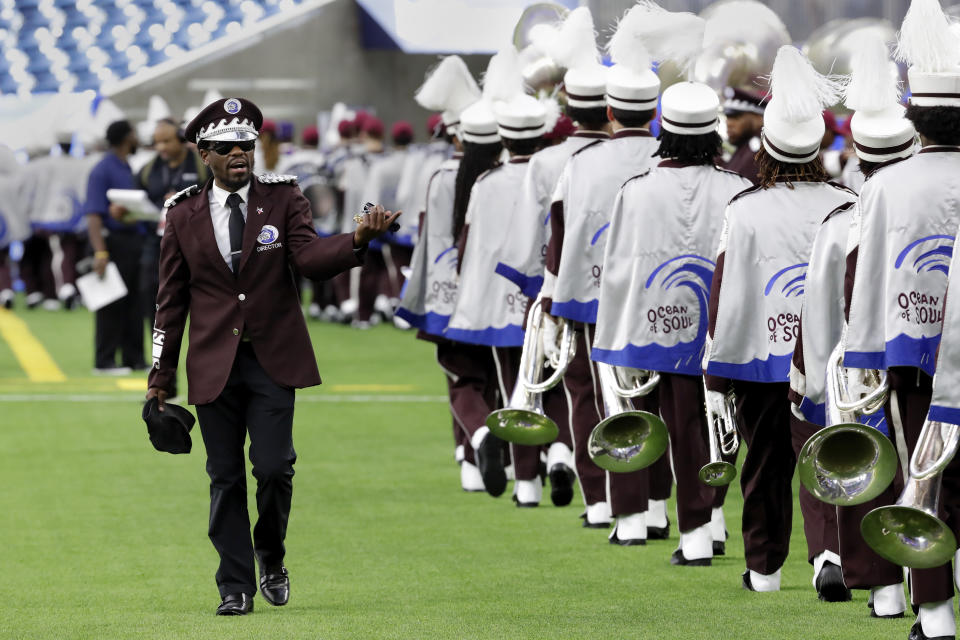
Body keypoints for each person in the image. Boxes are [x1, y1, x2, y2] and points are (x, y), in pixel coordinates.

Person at [145, 97, 399, 615]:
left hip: (272, 360)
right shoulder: (182, 212)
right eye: (226, 147)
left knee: (274, 466)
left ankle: (272, 556)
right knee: (225, 477)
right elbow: (169, 302)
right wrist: (159, 376)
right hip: (213, 365)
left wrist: (355, 241)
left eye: (247, 144)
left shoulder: (285, 199)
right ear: (205, 154)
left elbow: (308, 258)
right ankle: (234, 585)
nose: (240, 152)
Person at [703, 46, 856, 595]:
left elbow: (724, 294)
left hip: (759, 359)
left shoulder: (744, 207)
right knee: (827, 456)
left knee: (765, 466)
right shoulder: (847, 200)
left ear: (765, 147)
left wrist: (717, 375)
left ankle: (765, 571)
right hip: (829, 359)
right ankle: (829, 555)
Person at [592, 79, 752, 565]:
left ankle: (680, 530)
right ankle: (711, 523)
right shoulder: (739, 189)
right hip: (722, 326)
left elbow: (619, 268)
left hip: (654, 324)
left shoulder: (636, 191)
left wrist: (618, 334)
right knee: (719, 425)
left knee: (662, 426)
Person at [788, 32, 915, 619]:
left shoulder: (841, 221)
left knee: (874, 469)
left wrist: (810, 379)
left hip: (861, 367)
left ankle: (886, 591)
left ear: (859, 152)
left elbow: (818, 311)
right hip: (932, 356)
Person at [844, 2, 960, 636]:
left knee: (925, 477)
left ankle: (938, 616)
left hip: (913, 355)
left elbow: (866, 280)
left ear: (917, 118)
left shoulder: (887, 184)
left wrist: (863, 357)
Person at [540, 2, 667, 539]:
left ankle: (614, 508)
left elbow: (561, 238)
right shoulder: (668, 155)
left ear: (611, 111)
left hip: (596, 298)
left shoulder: (581, 164)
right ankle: (662, 509)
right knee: (660, 403)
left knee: (597, 397)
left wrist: (553, 301)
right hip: (664, 297)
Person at [492, 6, 611, 507]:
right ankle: (639, 505)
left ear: (566, 106)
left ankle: (563, 485)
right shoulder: (643, 155)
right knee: (619, 394)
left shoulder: (544, 161)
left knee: (565, 385)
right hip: (627, 290)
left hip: (558, 285)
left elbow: (529, 238)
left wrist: (530, 286)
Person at [444, 46, 548, 503]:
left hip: (470, 299)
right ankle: (539, 471)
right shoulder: (548, 172)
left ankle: (478, 448)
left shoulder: (474, 181)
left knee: (467, 380)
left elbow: (454, 245)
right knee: (530, 385)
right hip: (537, 293)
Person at [397, 54, 485, 490]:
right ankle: (504, 460)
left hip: (450, 292)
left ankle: (473, 451)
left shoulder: (440, 177)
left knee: (460, 376)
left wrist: (415, 298)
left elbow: (428, 243)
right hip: (496, 294)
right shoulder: (499, 173)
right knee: (497, 378)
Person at [83, 119, 150, 374]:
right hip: (112, 243)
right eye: (134, 133)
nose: (137, 138)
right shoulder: (102, 170)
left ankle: (134, 358)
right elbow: (93, 215)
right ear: (125, 138)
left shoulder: (125, 167)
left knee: (135, 303)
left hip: (133, 242)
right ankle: (104, 361)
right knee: (110, 302)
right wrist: (100, 251)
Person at [138, 118, 207, 328]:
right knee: (152, 295)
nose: (161, 147)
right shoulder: (148, 170)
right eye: (157, 142)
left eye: (167, 141)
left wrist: (184, 202)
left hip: (194, 242)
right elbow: (137, 199)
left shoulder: (202, 166)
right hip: (156, 242)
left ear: (181, 139)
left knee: (202, 300)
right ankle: (158, 353)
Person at [722, 87, 765, 185]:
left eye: (736, 117)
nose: (729, 123)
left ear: (759, 117)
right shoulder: (746, 143)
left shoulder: (760, 149)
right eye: (727, 117)